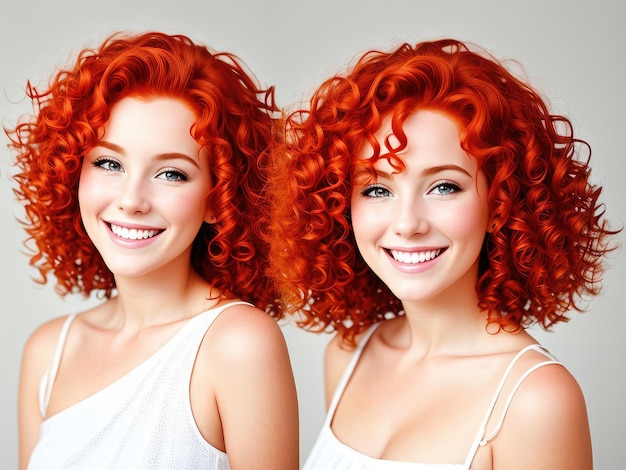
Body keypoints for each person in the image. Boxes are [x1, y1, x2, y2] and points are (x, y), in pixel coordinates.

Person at [267, 39, 620, 469]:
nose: (407, 223)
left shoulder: (535, 401)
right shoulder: (348, 357)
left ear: (501, 203)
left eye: (444, 186)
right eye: (377, 188)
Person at [7, 31, 299, 469]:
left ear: (219, 199)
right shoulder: (49, 351)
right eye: (109, 163)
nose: (131, 200)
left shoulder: (238, 344)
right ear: (73, 172)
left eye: (172, 174)